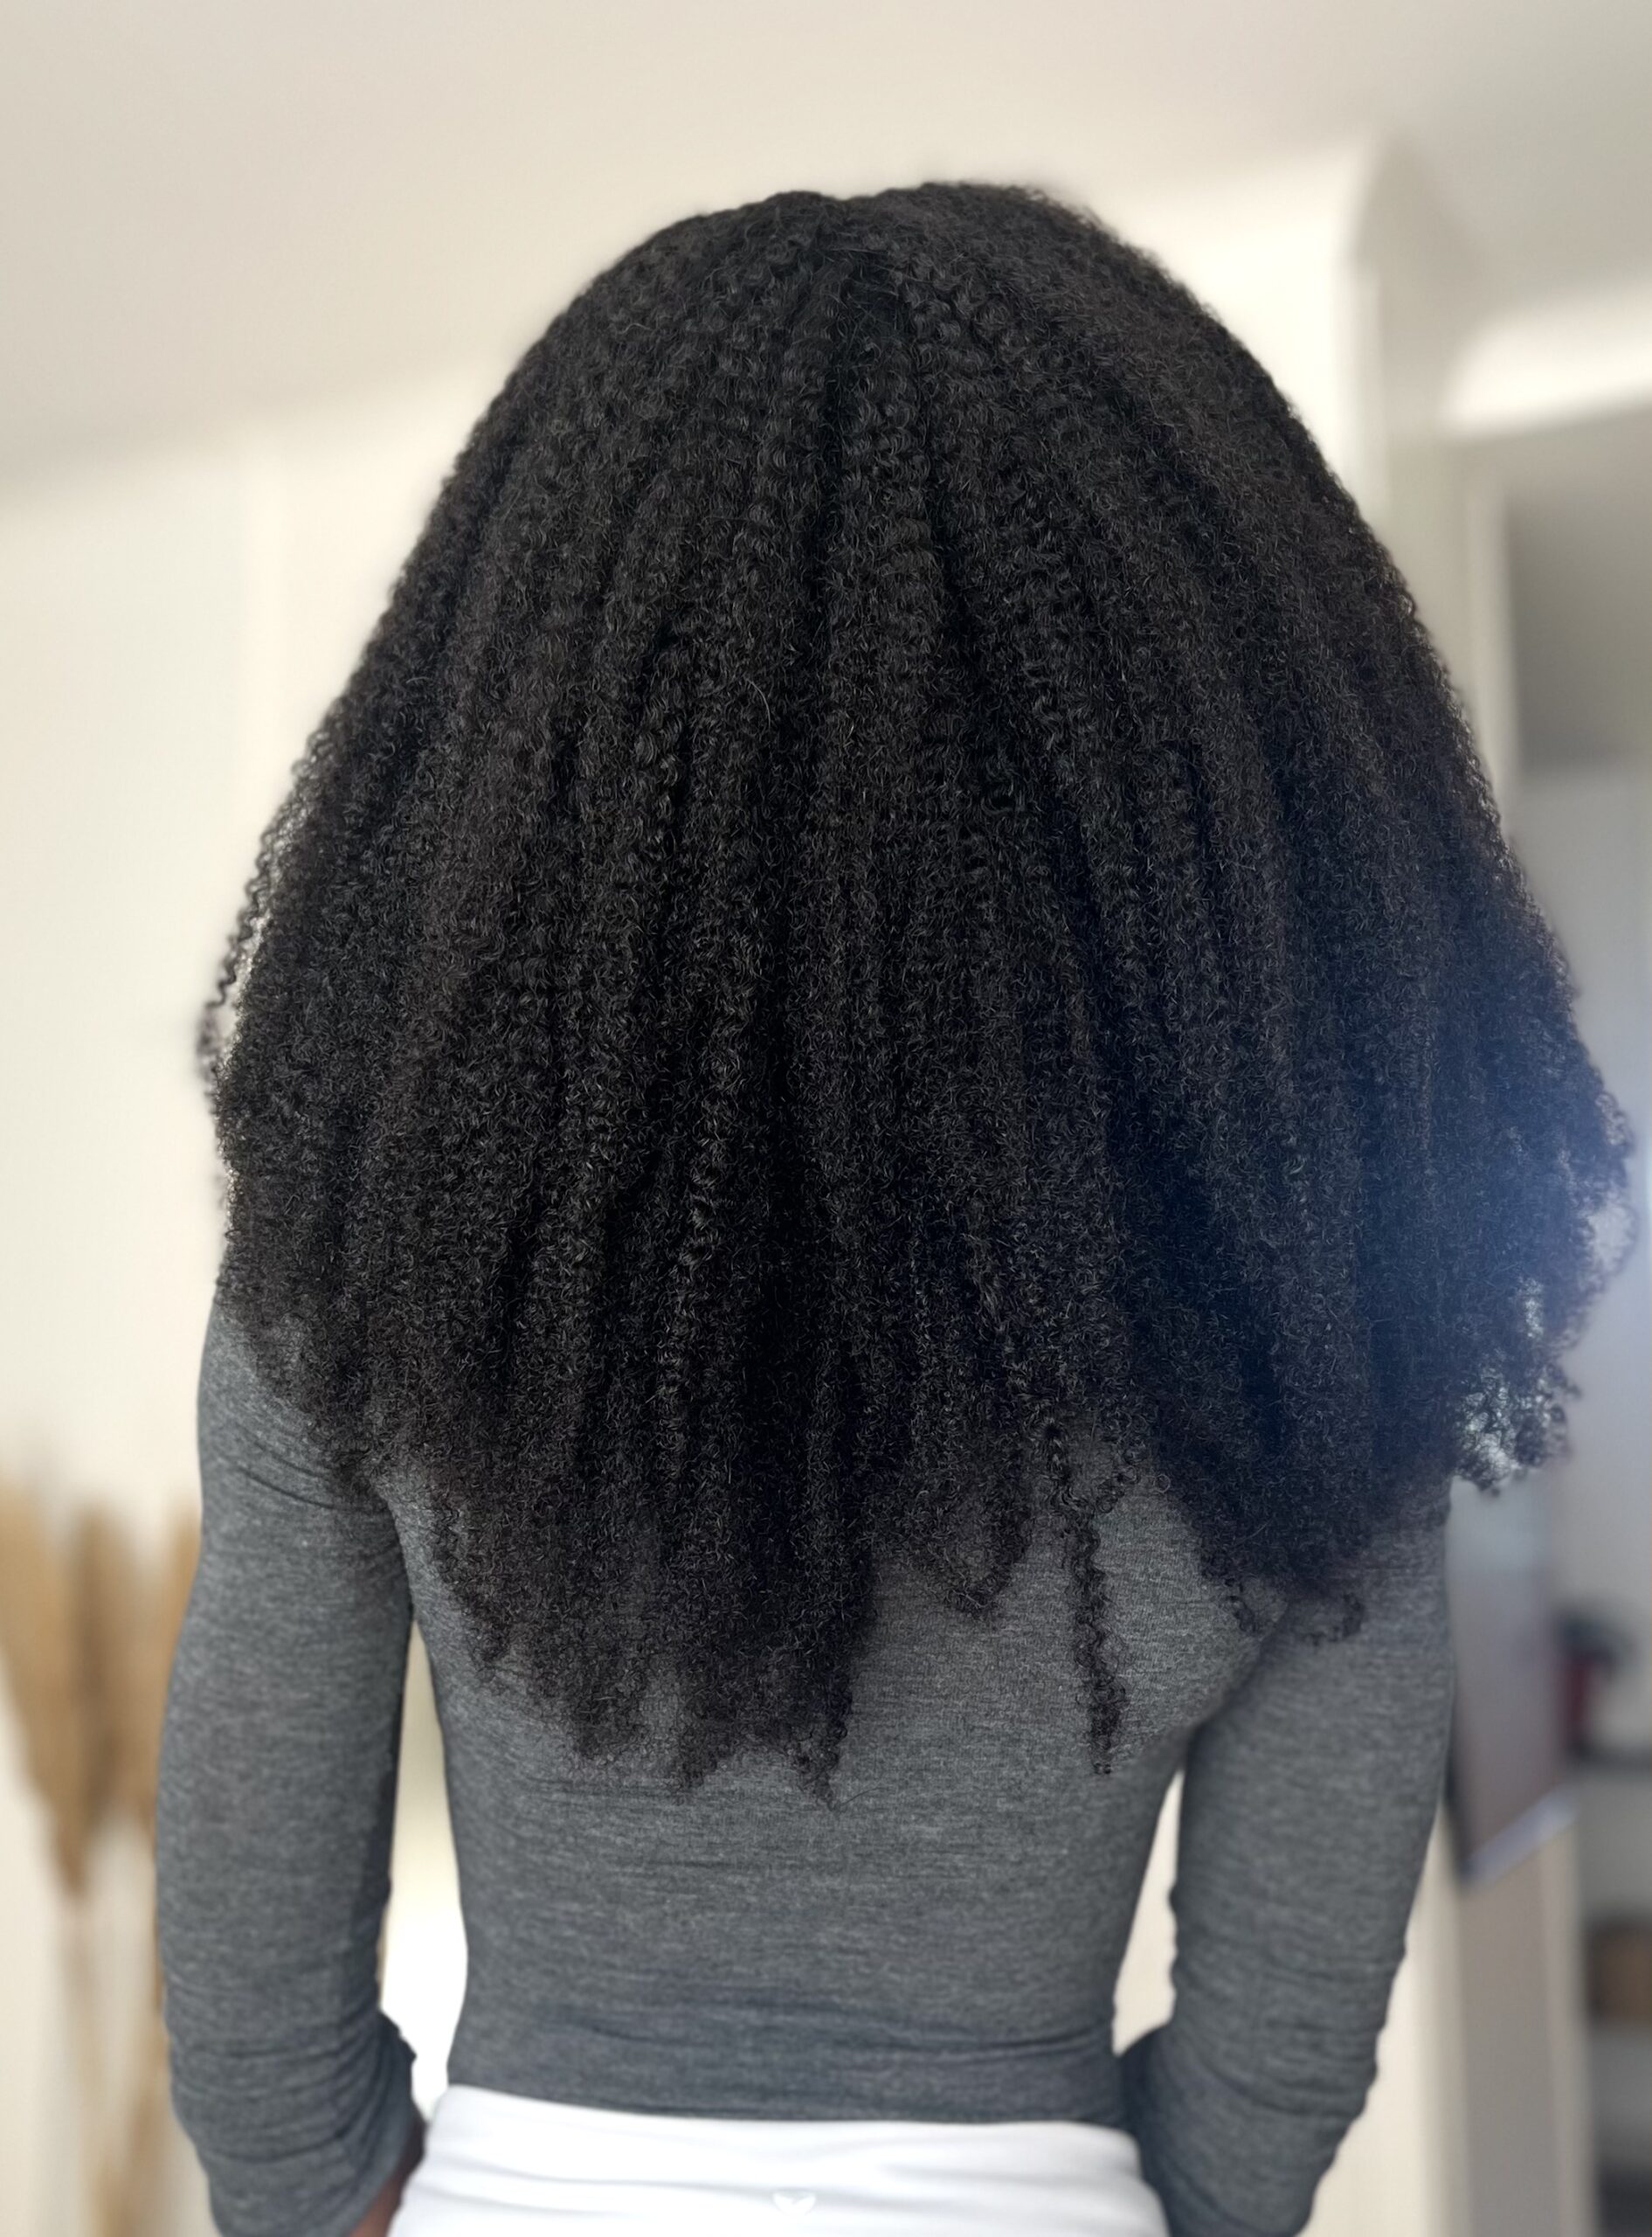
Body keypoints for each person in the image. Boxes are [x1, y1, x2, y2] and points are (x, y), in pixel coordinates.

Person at [154, 181, 1635, 2237]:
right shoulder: (1318, 1294)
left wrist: (364, 2193)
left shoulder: (365, 1246)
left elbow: (255, 2025)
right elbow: (1276, 2059)